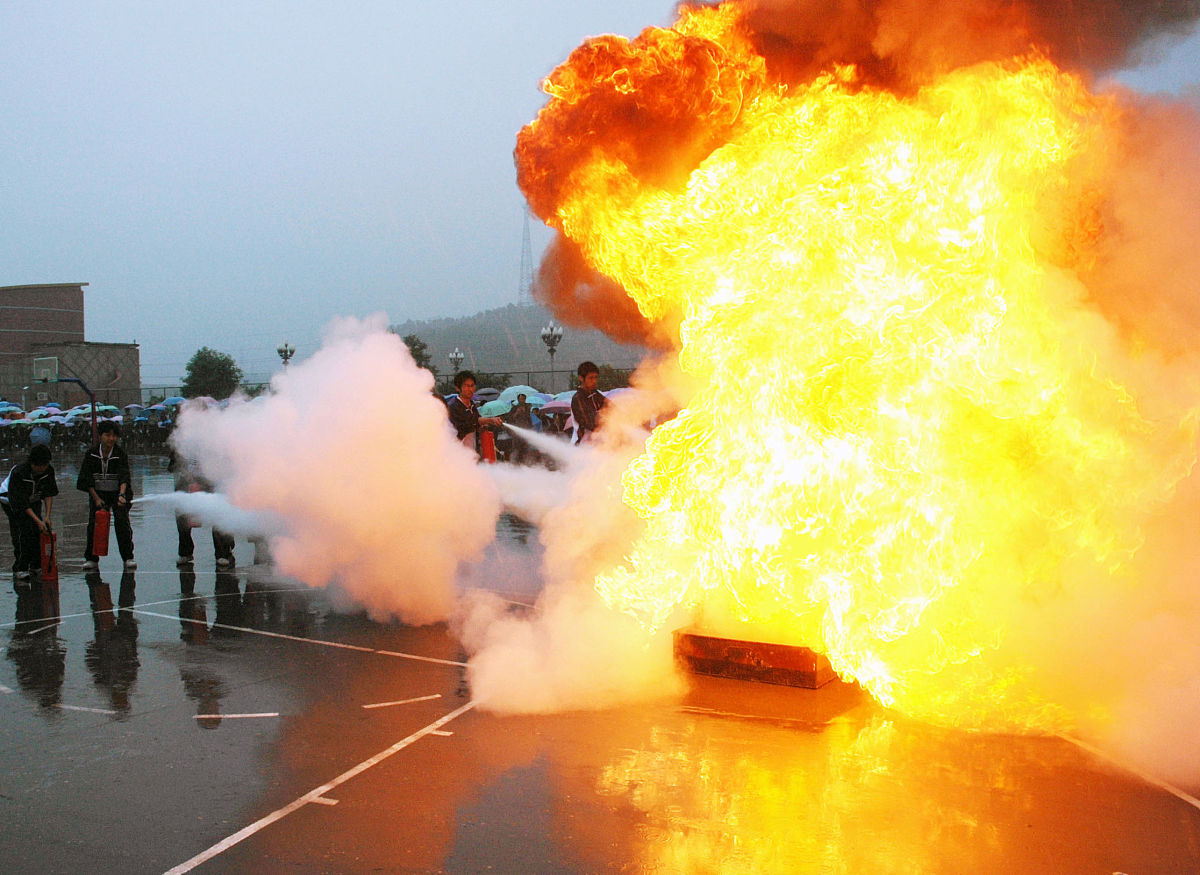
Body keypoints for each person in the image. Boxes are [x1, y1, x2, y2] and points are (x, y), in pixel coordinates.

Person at [77, 421, 136, 569]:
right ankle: (91, 559)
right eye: (107, 435)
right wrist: (96, 498)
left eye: (114, 435)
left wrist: (122, 495)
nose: (111, 439)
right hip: (98, 494)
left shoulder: (119, 454)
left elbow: (124, 476)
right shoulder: (91, 454)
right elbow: (86, 478)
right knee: (94, 525)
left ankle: (128, 557)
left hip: (117, 494)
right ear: (100, 435)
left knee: (122, 524)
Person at [168, 448, 236, 568]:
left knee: (218, 516)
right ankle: (185, 552)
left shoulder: (215, 441)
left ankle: (223, 553)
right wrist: (186, 474)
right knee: (182, 517)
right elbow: (173, 463)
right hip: (186, 483)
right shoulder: (183, 439)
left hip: (212, 481)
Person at [1, 444, 58, 581]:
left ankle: (36, 565)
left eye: (44, 465)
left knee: (38, 532)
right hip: (10, 501)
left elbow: (48, 493)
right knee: (23, 532)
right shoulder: (19, 473)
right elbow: (21, 504)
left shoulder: (48, 471)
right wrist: (38, 521)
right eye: (39, 466)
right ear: (32, 463)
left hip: (33, 499)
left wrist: (47, 517)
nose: (42, 469)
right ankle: (20, 567)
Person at [446, 370, 502, 456]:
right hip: (456, 454)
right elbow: (472, 421)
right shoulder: (453, 406)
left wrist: (484, 426)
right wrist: (490, 420)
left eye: (472, 386)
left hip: (471, 453)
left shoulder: (472, 405)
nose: (470, 389)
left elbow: (477, 423)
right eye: (466, 386)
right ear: (457, 388)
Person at [570, 361, 607, 444]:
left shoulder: (596, 394)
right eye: (591, 378)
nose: (594, 381)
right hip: (583, 447)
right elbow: (590, 423)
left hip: (598, 445)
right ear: (581, 378)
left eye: (596, 377)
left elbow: (611, 408)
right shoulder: (578, 398)